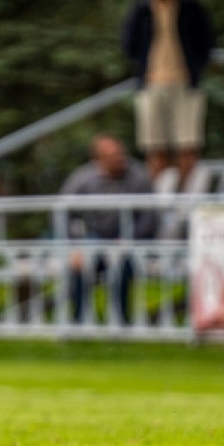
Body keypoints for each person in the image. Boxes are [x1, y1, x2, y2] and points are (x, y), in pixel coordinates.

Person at [121, 0, 216, 189]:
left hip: (185, 83)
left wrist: (195, 64)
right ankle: (161, 207)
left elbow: (207, 41)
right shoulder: (140, 9)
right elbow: (128, 44)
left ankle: (185, 205)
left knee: (188, 145)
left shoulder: (190, 7)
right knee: (155, 146)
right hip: (151, 83)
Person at [60, 135, 157, 324]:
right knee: (80, 266)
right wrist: (74, 245)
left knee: (122, 265)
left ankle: (120, 320)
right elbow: (63, 212)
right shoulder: (83, 179)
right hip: (94, 240)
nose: (119, 158)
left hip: (131, 242)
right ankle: (79, 320)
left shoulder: (139, 176)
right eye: (112, 156)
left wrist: (130, 239)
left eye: (121, 153)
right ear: (98, 160)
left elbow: (150, 217)